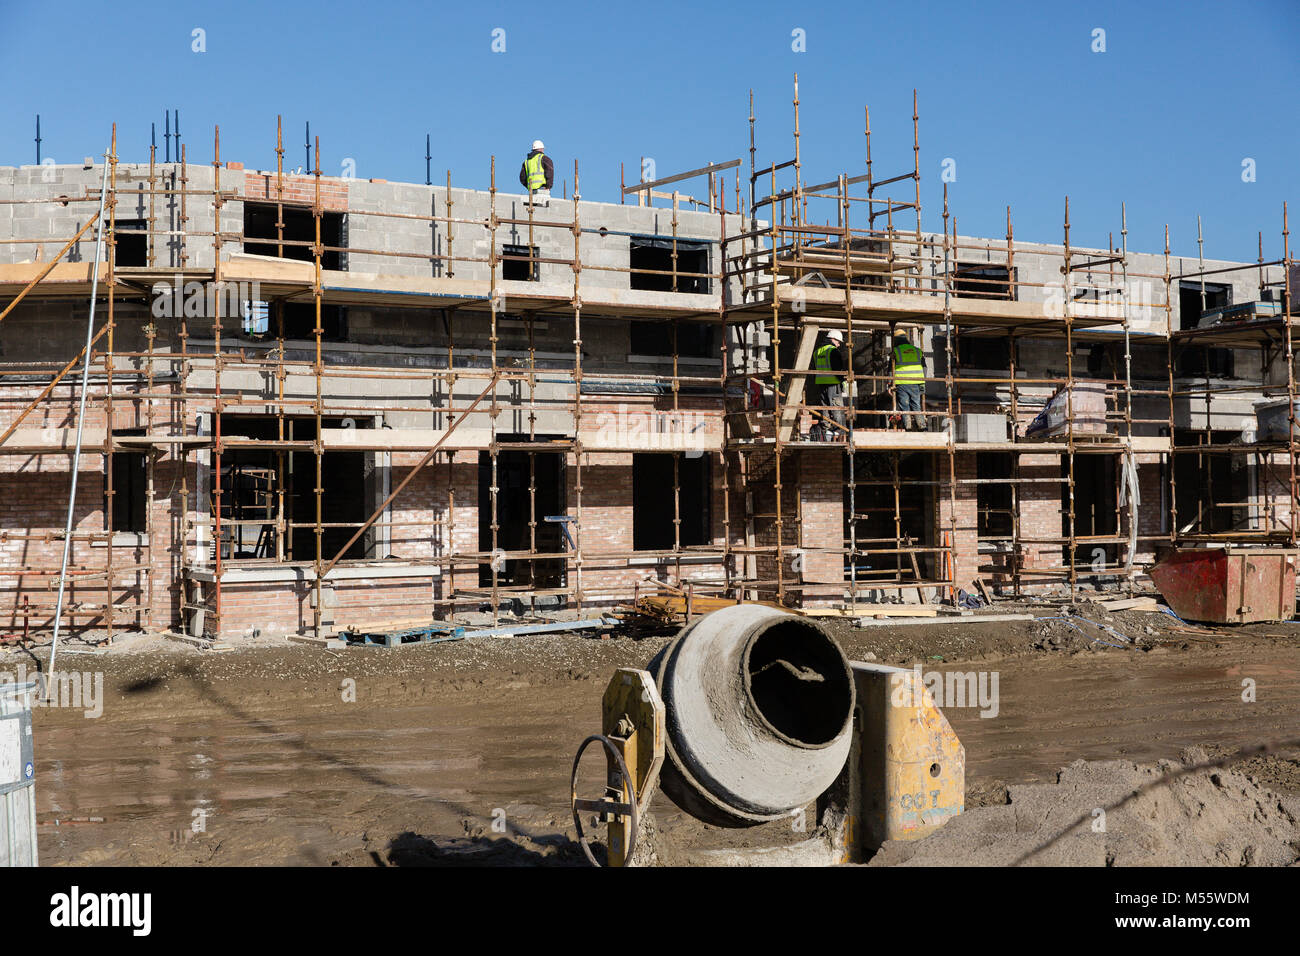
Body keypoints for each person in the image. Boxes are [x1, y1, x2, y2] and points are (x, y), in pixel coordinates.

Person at [812, 329, 847, 441]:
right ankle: (838, 431)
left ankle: (826, 429)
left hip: (821, 384)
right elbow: (838, 369)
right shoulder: (832, 350)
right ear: (833, 339)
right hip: (833, 383)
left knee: (825, 408)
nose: (838, 344)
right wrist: (842, 381)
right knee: (836, 407)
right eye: (838, 342)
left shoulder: (817, 351)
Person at [892, 331, 925, 431]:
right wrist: (923, 383)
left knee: (904, 406)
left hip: (902, 383)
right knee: (916, 405)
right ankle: (922, 426)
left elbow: (890, 369)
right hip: (915, 382)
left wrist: (889, 384)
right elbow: (924, 368)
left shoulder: (896, 351)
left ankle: (908, 427)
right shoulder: (917, 351)